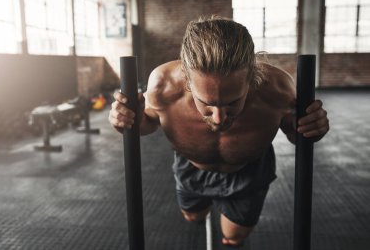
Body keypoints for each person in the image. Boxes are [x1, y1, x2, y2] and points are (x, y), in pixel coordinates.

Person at [109, 16, 329, 247]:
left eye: (232, 103)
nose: (219, 118)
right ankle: (202, 209)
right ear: (186, 80)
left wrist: (312, 128)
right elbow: (148, 123)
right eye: (207, 104)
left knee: (234, 237)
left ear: (251, 79)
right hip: (191, 165)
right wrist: (125, 121)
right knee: (193, 216)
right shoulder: (163, 85)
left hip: (249, 170)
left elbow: (295, 133)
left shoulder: (277, 89)